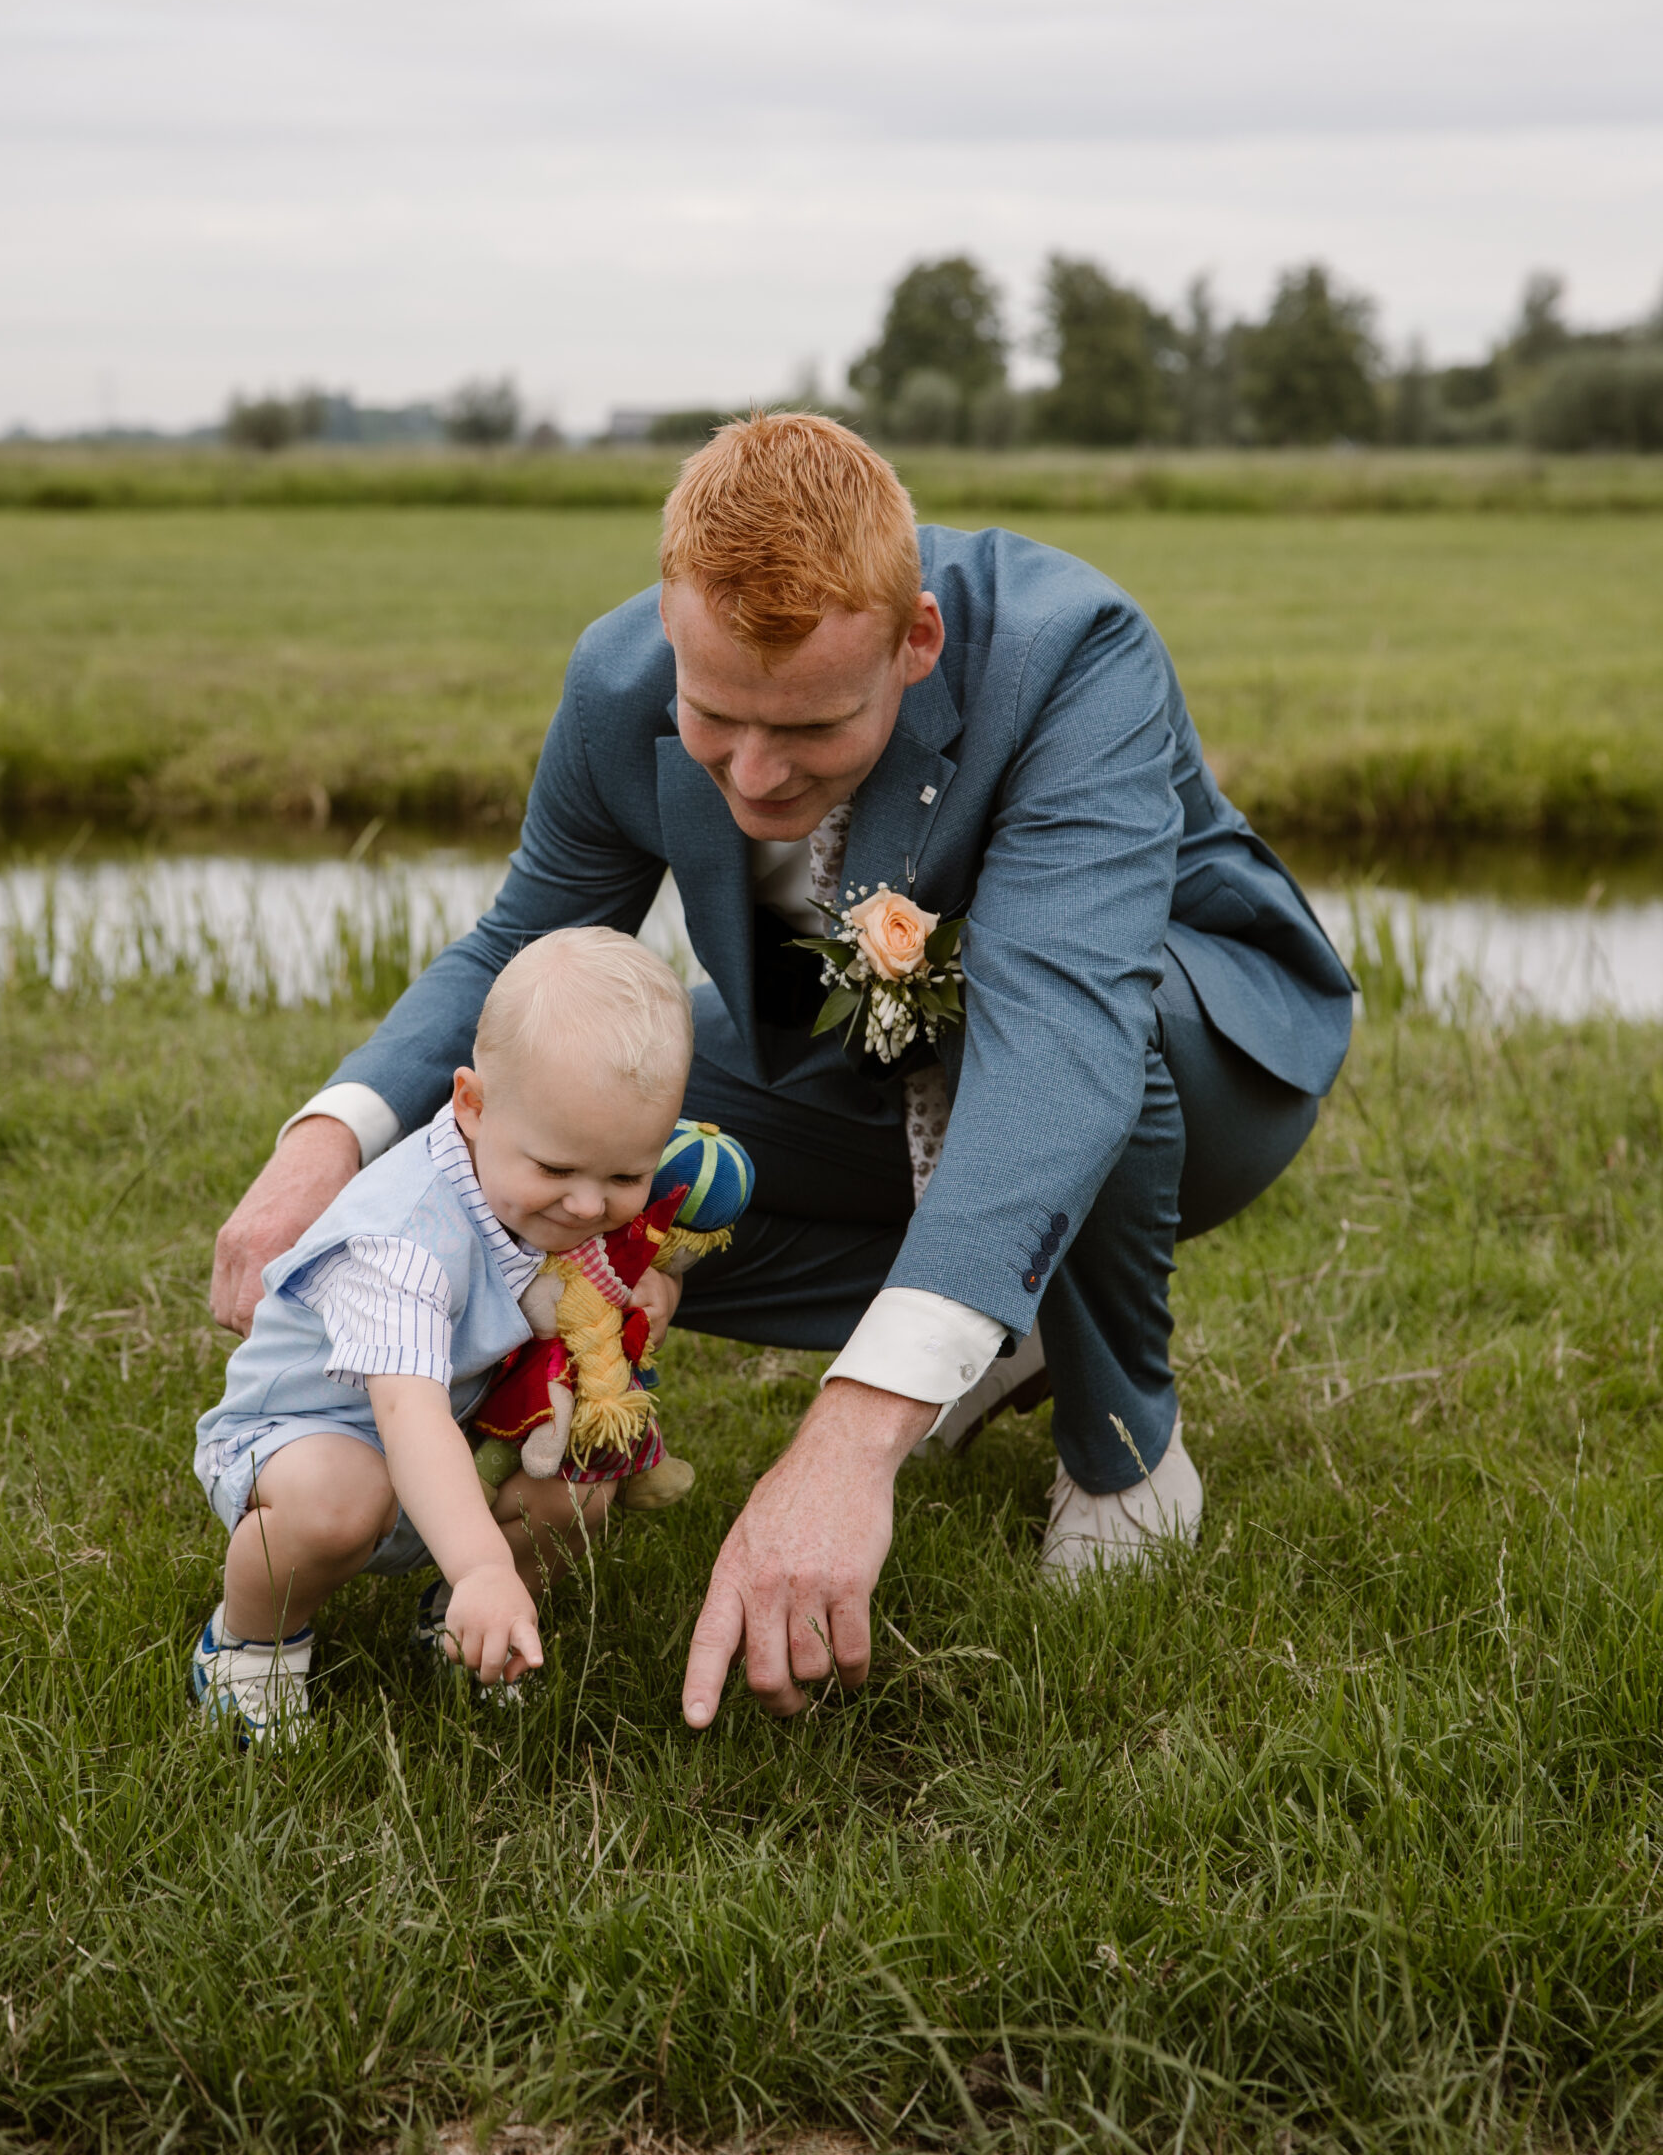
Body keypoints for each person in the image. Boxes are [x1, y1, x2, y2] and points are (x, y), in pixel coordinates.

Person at [208, 414, 1353, 1733]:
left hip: (1188, 1064)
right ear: (670, 625)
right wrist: (328, 1140)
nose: (752, 774)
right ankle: (995, 1315)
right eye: (714, 717)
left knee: (1067, 1021)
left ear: (914, 642)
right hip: (861, 1060)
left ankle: (1123, 1454)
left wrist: (849, 1439)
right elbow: (521, 946)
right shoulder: (619, 679)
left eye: (811, 724)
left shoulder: (1071, 655)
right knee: (591, 1129)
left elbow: (1065, 1045)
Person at [191, 927, 693, 1745]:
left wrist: (647, 1285)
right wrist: (483, 1561)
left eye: (625, 1176)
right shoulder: (403, 1235)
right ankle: (250, 1645)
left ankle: (458, 1621)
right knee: (339, 1500)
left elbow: (588, 1278)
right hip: (305, 1438)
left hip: (453, 1438)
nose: (587, 1206)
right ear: (472, 1105)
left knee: (578, 1486)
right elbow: (407, 1414)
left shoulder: (538, 1178)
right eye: (557, 1171)